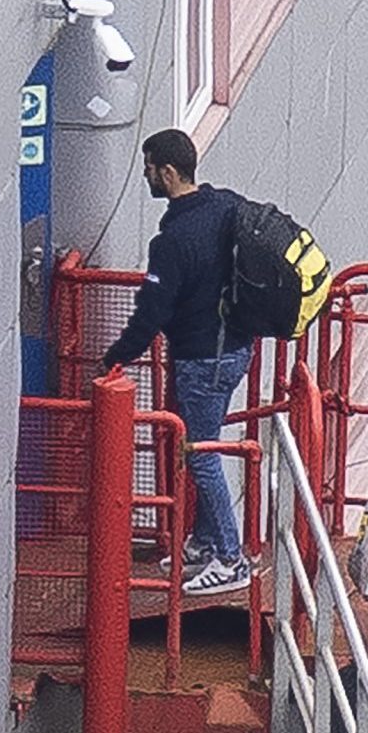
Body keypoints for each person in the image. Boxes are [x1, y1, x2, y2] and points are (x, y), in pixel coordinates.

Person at [99, 129, 254, 597]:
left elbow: (152, 312)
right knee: (205, 447)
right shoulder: (227, 206)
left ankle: (230, 558)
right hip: (236, 349)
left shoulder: (172, 241)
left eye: (149, 168)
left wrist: (115, 358)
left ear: (168, 172)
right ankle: (206, 542)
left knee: (201, 455)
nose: (146, 176)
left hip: (201, 359)